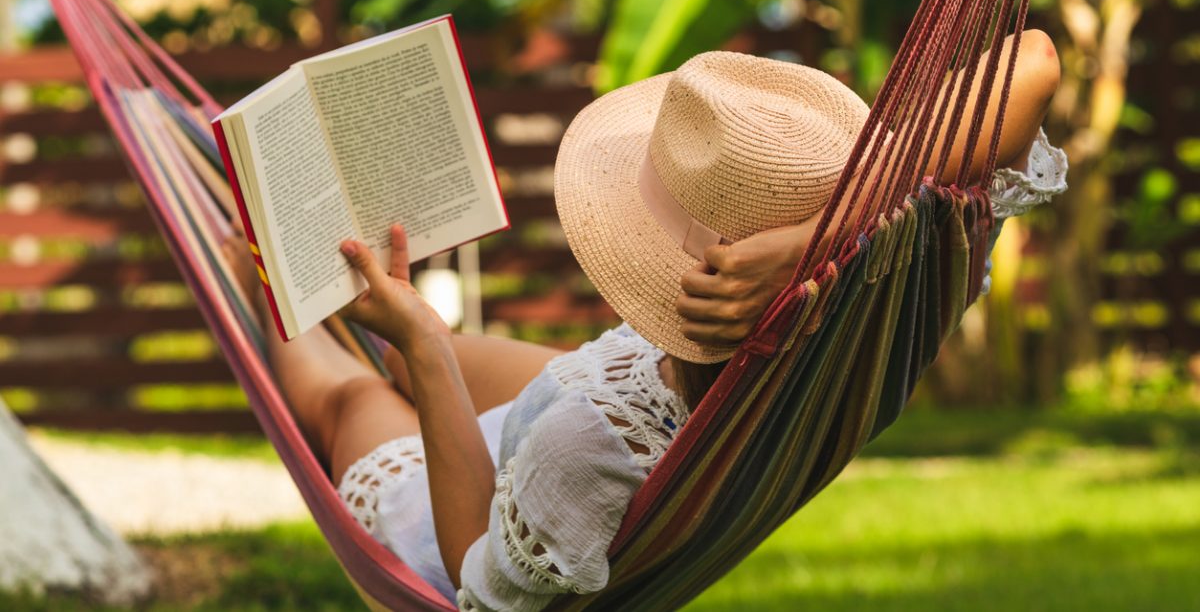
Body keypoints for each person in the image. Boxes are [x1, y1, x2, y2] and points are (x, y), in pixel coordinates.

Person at [222, 30, 1067, 611]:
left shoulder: (584, 451)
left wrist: (429, 346)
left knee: (354, 397)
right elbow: (1033, 61)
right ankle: (381, 326)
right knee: (401, 355)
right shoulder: (881, 293)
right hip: (632, 386)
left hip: (501, 493)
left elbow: (481, 588)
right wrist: (818, 238)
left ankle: (255, 282)